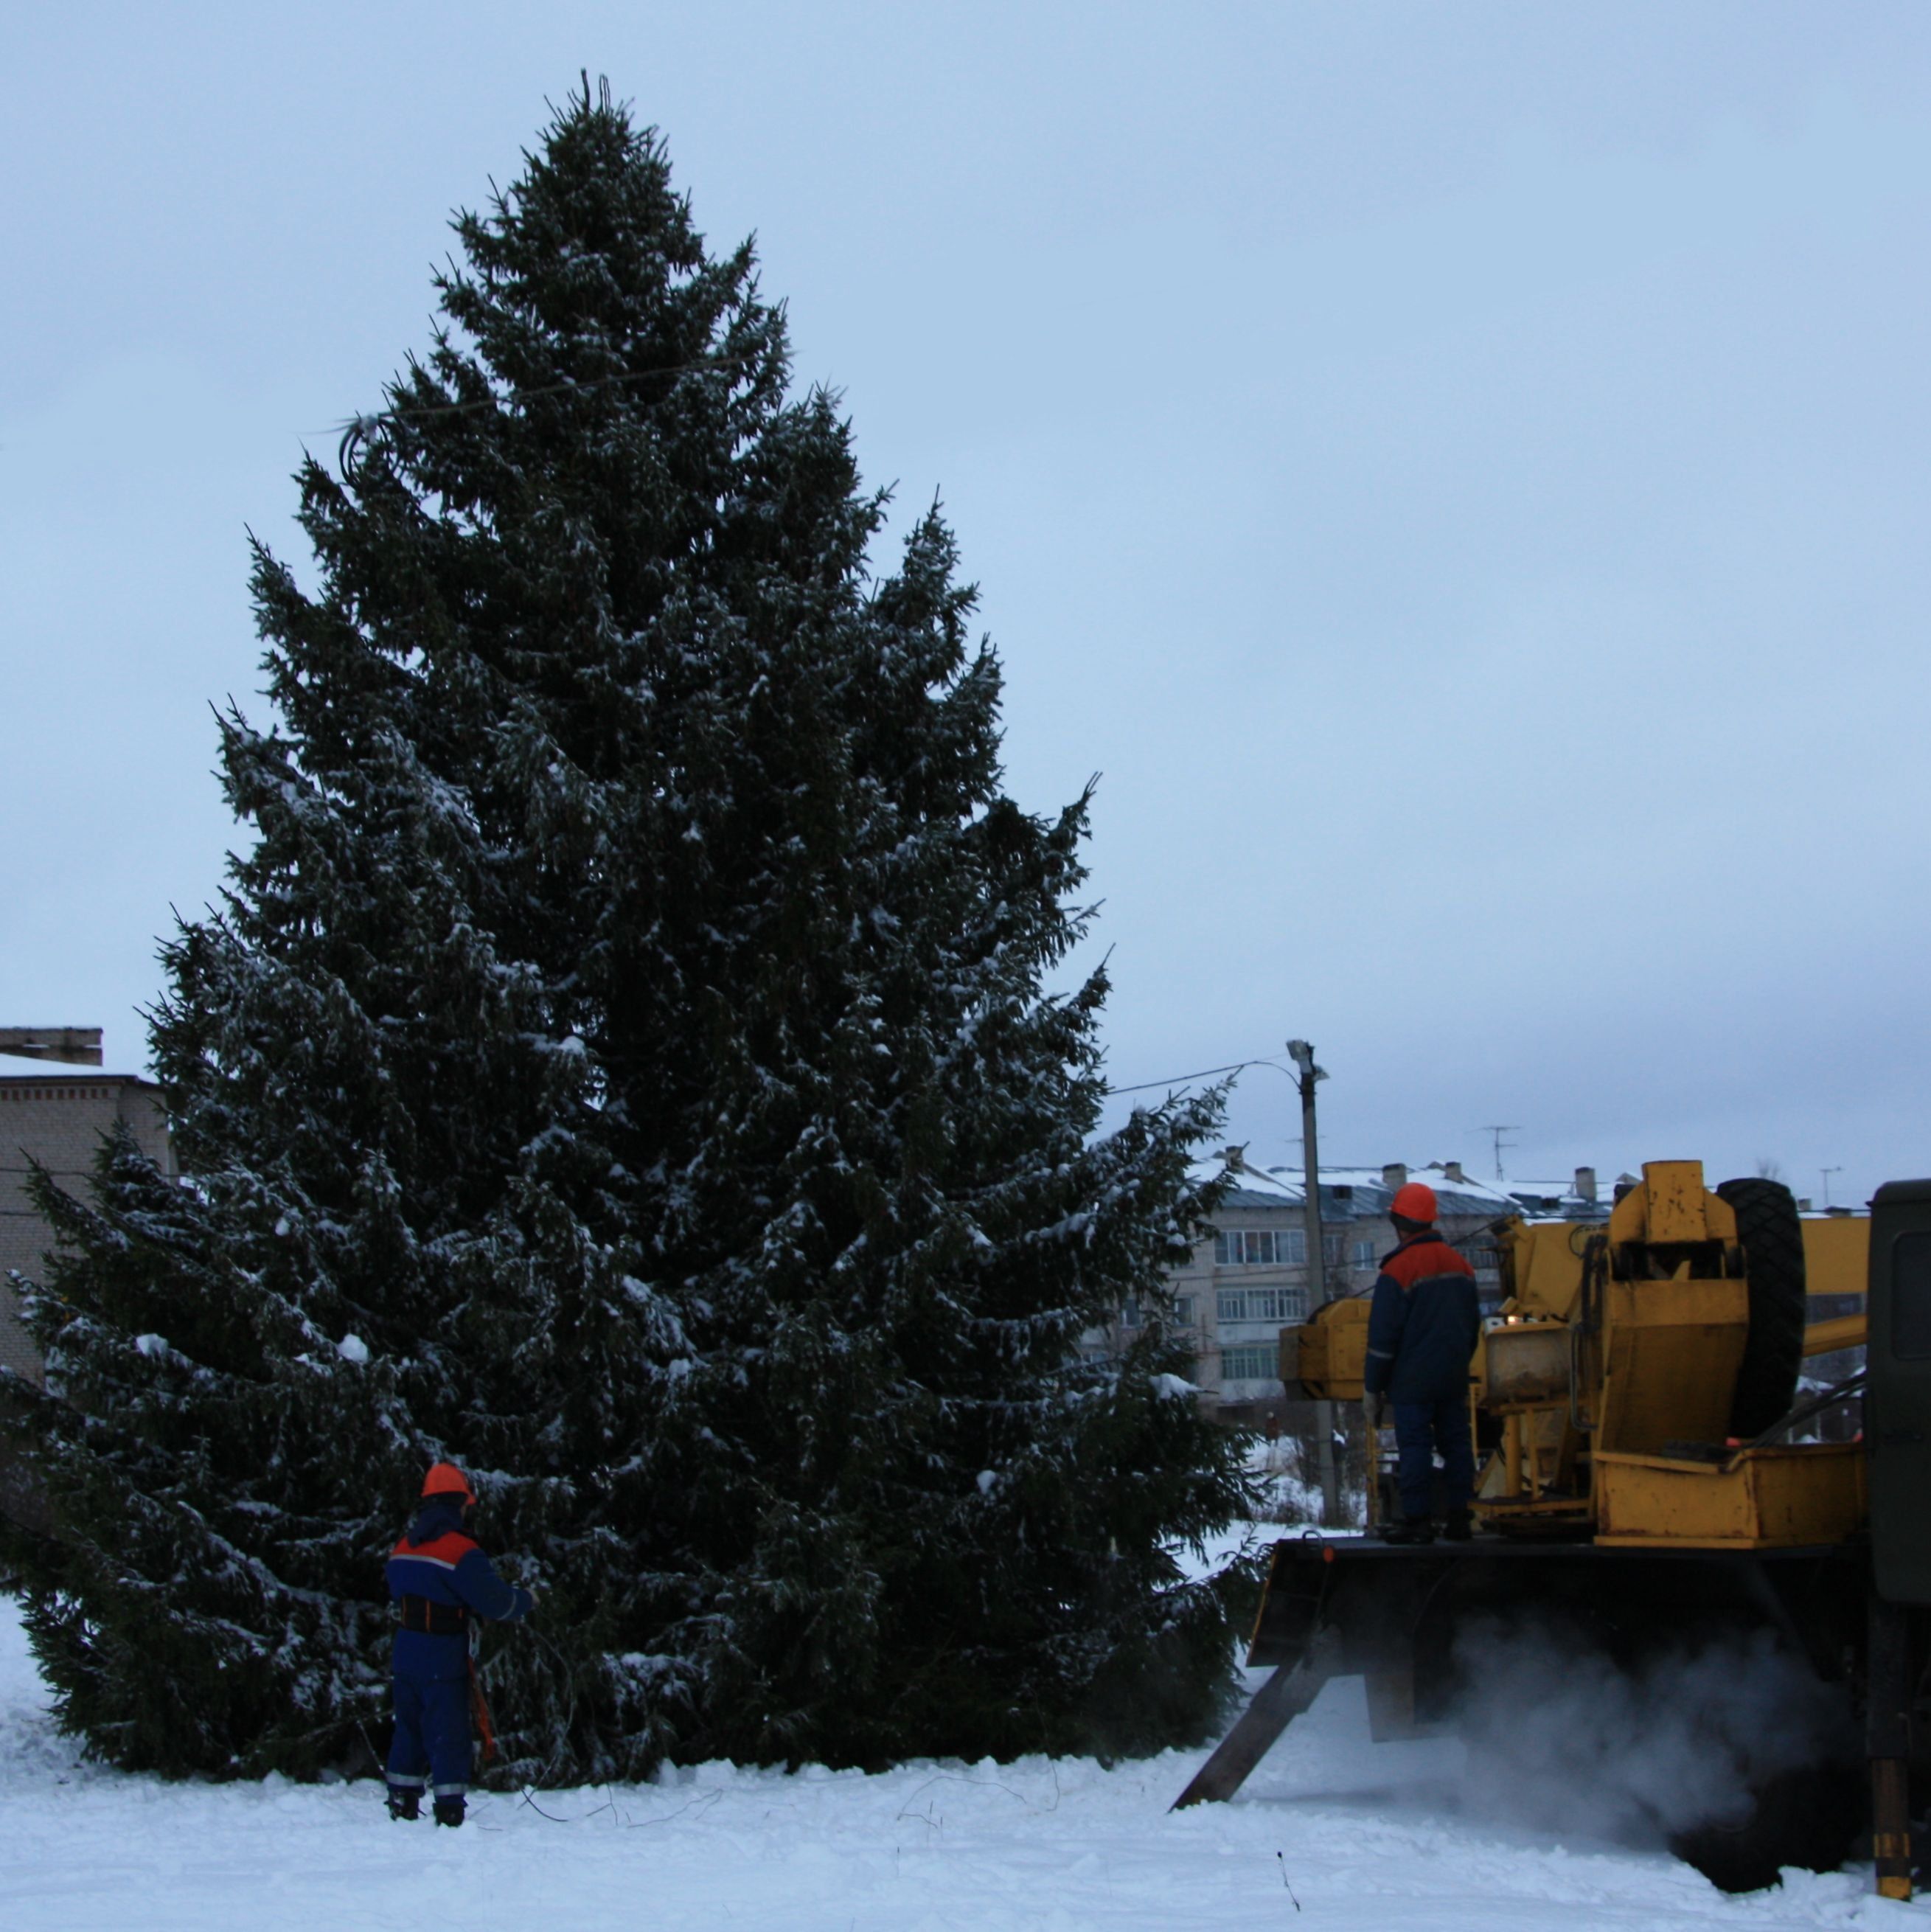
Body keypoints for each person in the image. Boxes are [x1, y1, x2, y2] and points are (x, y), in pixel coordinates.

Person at [385, 1461, 535, 1826]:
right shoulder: (461, 1551)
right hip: (442, 1654)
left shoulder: (403, 1547)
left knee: (408, 1727)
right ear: (458, 1504)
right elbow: (495, 1602)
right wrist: (527, 1601)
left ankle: (402, 1801)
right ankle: (449, 1810)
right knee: (447, 1730)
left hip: (405, 1652)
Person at [1363, 1181, 1481, 1545]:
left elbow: (1383, 1341)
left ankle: (1418, 1522)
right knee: (1457, 1444)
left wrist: (1373, 1387)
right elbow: (1472, 1325)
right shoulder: (1461, 1266)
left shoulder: (1397, 1271)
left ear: (1398, 1222)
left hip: (1412, 1382)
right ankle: (1461, 1518)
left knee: (1414, 1447)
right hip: (1452, 1376)